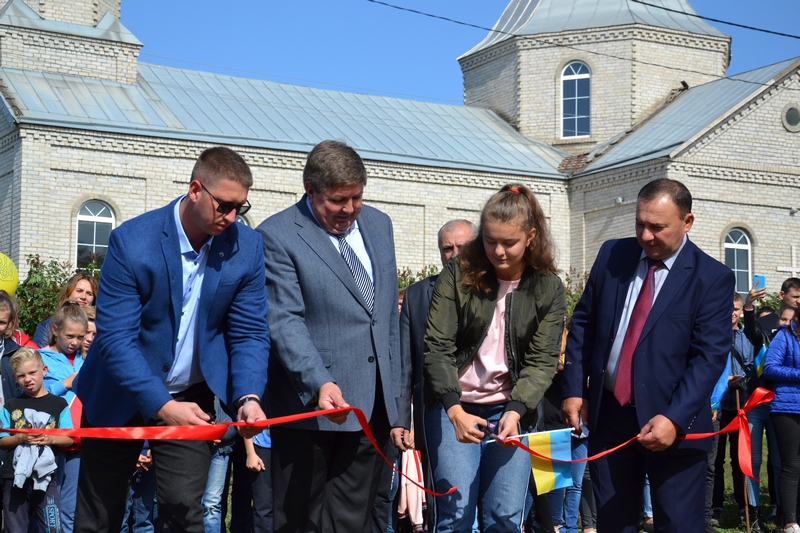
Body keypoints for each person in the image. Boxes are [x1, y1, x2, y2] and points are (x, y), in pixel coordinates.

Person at [73, 146, 270, 533]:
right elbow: (114, 340)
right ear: (195, 189)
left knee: (184, 511)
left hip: (191, 395)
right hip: (118, 391)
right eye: (224, 206)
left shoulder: (247, 248)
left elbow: (249, 331)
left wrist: (248, 396)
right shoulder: (132, 241)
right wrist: (162, 405)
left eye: (240, 208)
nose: (232, 218)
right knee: (100, 514)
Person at [562, 178, 734, 533]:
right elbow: (583, 326)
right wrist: (575, 389)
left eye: (658, 227)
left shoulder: (711, 278)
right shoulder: (613, 254)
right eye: (640, 223)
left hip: (675, 426)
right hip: (610, 418)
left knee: (678, 525)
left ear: (687, 222)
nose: (646, 235)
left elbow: (709, 357)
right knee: (613, 523)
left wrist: (674, 418)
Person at [257, 139, 404, 532]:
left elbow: (387, 320)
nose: (350, 210)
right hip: (311, 408)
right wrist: (319, 381)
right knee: (300, 521)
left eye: (357, 198)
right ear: (310, 190)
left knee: (351, 521)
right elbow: (285, 320)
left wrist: (397, 404)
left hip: (371, 408)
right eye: (338, 200)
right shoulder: (277, 235)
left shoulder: (379, 224)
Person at [424, 183, 566, 532]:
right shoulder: (459, 272)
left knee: (504, 518)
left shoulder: (548, 288)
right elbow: (437, 345)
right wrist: (454, 409)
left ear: (531, 236)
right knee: (455, 518)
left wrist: (517, 410)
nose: (498, 251)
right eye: (489, 240)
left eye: (509, 242)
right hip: (454, 406)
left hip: (512, 408)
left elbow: (542, 361)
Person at [396, 218, 477, 528]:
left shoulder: (496, 289)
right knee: (444, 504)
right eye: (447, 248)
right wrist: (403, 418)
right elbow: (406, 362)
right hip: (435, 412)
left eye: (462, 247)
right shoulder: (417, 295)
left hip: (485, 407)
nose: (454, 254)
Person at [0, 348, 74, 532]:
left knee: (52, 527)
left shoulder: (59, 404)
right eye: (21, 376)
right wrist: (20, 438)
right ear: (15, 379)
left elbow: (70, 439)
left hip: (47, 477)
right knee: (15, 528)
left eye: (32, 372)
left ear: (44, 370)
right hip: (14, 477)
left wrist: (50, 439)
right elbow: (2, 440)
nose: (28, 379)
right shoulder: (11, 406)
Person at [40, 303, 89, 533]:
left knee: (70, 507)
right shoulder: (40, 358)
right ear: (56, 329)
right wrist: (67, 383)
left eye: (80, 337)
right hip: (51, 443)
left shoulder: (84, 358)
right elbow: (38, 396)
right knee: (49, 505)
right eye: (70, 336)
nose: (75, 342)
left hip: (79, 442)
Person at [764, 306, 800, 533]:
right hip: (787, 408)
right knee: (791, 466)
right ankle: (789, 522)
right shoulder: (784, 336)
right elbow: (770, 369)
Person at [33, 273, 97, 348]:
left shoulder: (101, 325)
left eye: (89, 293)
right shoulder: (47, 326)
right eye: (79, 291)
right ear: (68, 293)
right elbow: (38, 356)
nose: (83, 297)